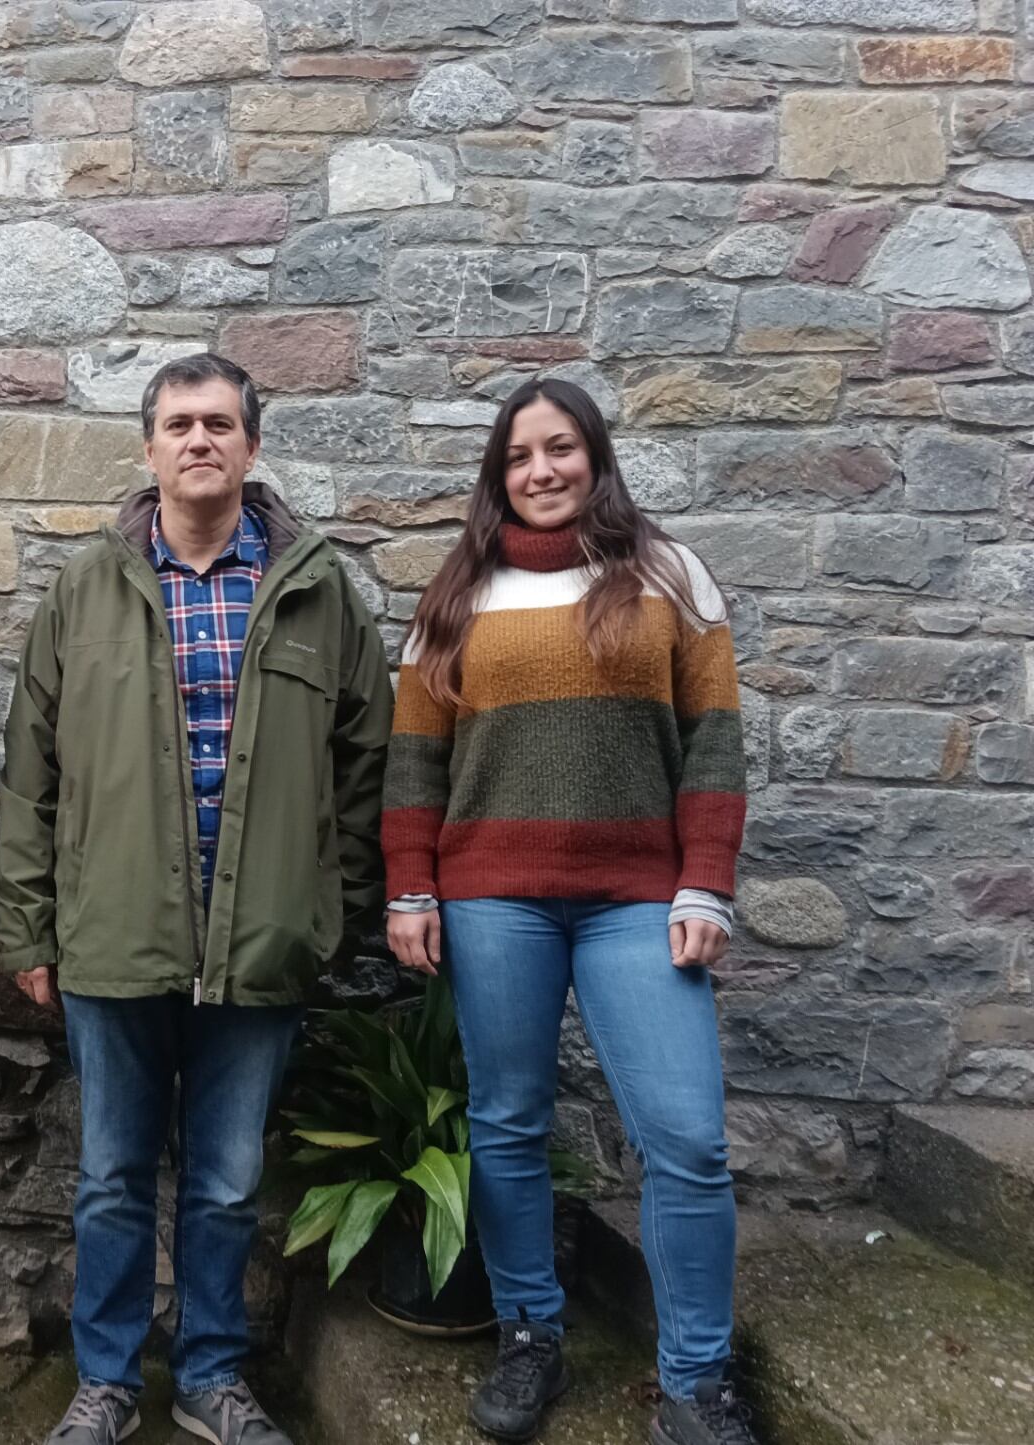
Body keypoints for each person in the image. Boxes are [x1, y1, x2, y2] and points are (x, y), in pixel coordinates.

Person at [0, 353, 392, 1445]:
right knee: (113, 1176)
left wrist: (332, 910)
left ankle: (214, 1377)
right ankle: (109, 1382)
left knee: (224, 1184)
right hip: (115, 937)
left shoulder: (315, 589)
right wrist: (26, 923)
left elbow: (369, 764)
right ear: (150, 445)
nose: (200, 439)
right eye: (179, 422)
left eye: (220, 421)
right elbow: (31, 773)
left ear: (252, 445)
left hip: (263, 944)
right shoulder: (87, 587)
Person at [382, 378, 754, 1445]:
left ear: (595, 455)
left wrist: (707, 878)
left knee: (685, 1136)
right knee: (507, 1123)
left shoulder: (668, 573)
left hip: (640, 898)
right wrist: (412, 883)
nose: (541, 471)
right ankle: (530, 1331)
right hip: (495, 895)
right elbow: (415, 756)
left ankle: (695, 1379)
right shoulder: (457, 593)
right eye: (519, 457)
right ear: (497, 475)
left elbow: (715, 737)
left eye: (561, 449)